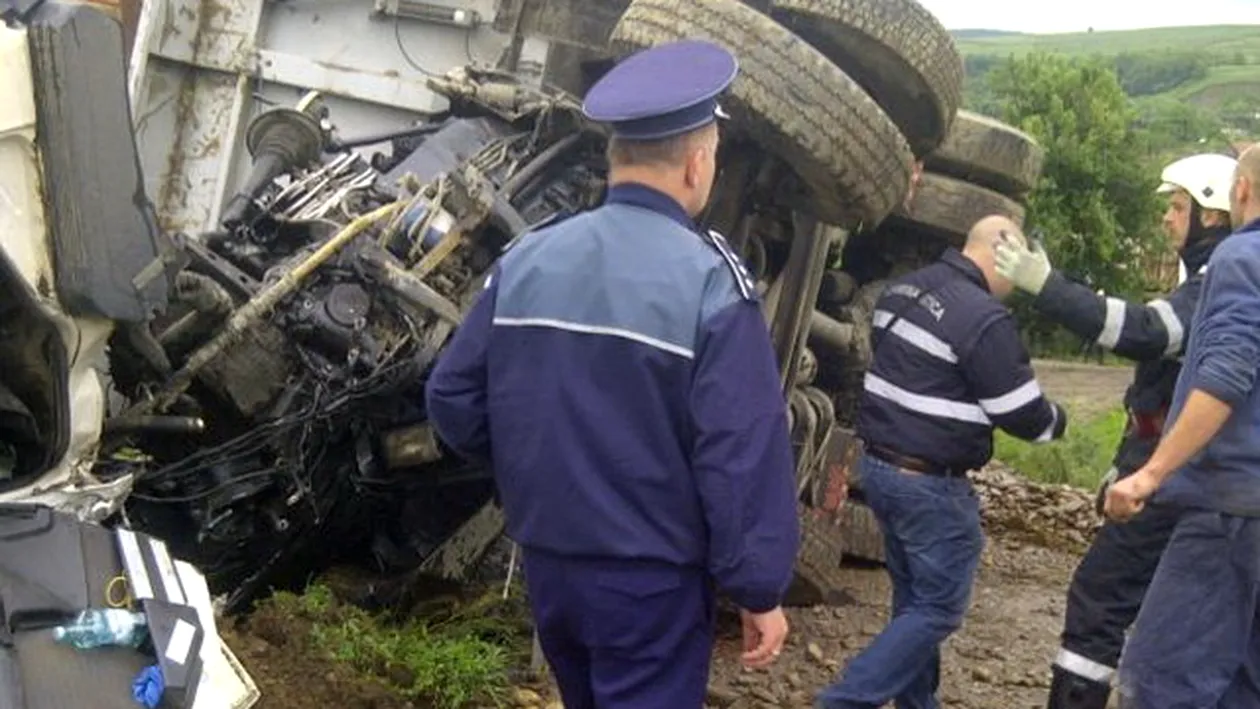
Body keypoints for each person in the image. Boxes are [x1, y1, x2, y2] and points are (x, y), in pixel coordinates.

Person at [423, 39, 800, 709]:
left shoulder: (530, 258)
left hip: (550, 562)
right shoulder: (712, 285)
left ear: (617, 156)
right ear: (696, 164)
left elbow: (452, 397)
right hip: (649, 580)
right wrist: (758, 587)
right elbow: (740, 450)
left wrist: (530, 472)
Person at [993, 152, 1238, 709]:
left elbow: (1145, 332)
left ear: (1215, 214)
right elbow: (1157, 391)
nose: (1167, 219)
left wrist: (1048, 287)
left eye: (1179, 207)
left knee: (1100, 601)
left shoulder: (1220, 282)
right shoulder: (1213, 277)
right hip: (1180, 470)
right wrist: (1122, 464)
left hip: (1180, 479)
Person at [816, 215, 1069, 709]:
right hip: (930, 484)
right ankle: (845, 701)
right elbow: (1023, 416)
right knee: (939, 608)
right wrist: (1057, 420)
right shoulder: (982, 318)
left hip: (882, 471)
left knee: (912, 601)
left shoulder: (903, 292)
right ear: (1002, 254)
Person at [1103, 145, 1260, 708]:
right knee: (1243, 685)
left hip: (1228, 507)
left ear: (1239, 190)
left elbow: (1225, 375)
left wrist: (1151, 474)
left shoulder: (1242, 258)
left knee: (1166, 678)